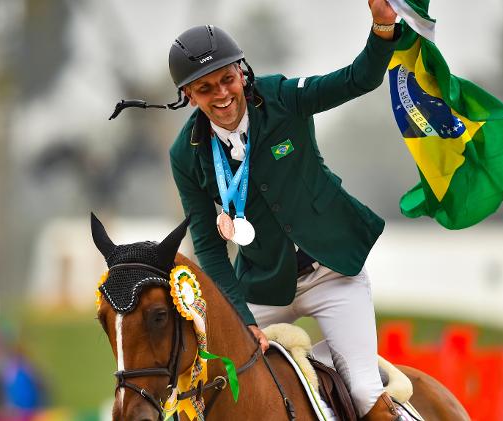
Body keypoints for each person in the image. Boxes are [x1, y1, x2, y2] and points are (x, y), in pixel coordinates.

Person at [158, 1, 403, 419]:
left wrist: (382, 26)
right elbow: (210, 249)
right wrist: (241, 317)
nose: (221, 95)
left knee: (363, 391)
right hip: (261, 287)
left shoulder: (282, 96)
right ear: (187, 95)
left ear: (242, 72)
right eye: (205, 89)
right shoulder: (185, 154)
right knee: (199, 393)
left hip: (332, 275)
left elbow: (357, 79)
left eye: (227, 79)